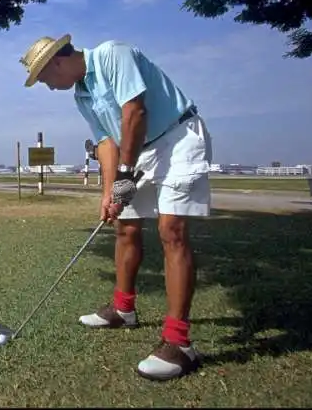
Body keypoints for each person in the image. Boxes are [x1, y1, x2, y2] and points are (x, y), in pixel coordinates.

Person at [18, 34, 213, 381]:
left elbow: (135, 112)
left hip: (178, 137)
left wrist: (124, 175)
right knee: (124, 225)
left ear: (57, 63)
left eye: (45, 79)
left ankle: (179, 343)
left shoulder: (112, 55)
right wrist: (109, 193)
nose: (49, 88)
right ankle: (123, 310)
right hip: (137, 153)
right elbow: (108, 143)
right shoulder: (81, 95)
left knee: (171, 231)